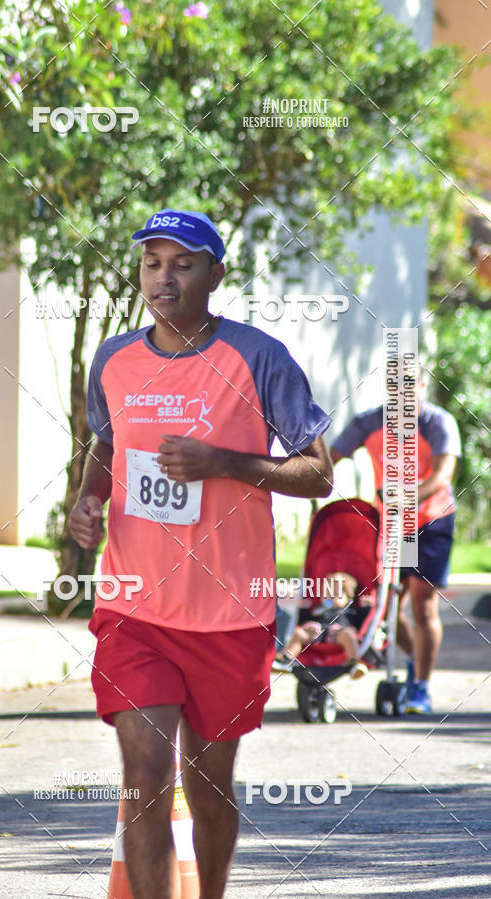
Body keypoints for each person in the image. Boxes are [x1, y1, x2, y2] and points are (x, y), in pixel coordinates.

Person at [69, 209, 333, 898]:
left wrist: (224, 462)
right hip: (135, 608)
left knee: (208, 791)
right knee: (146, 777)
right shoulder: (114, 359)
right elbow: (107, 442)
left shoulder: (259, 357)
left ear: (216, 273)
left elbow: (319, 472)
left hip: (228, 614)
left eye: (183, 263)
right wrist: (88, 500)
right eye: (153, 262)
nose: (165, 276)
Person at [330, 375, 461, 714]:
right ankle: (417, 659)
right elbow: (330, 457)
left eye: (410, 383)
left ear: (421, 385)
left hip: (431, 521)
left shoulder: (436, 423)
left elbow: (443, 474)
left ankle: (420, 686)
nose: (403, 391)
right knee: (390, 604)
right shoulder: (370, 422)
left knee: (423, 605)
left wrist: (408, 497)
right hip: (391, 525)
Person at [272, 571, 368, 679]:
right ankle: (286, 659)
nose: (330, 597)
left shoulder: (350, 611)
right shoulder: (318, 610)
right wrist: (304, 611)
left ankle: (354, 662)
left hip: (337, 634)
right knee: (299, 633)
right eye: (326, 593)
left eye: (336, 594)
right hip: (317, 634)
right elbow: (305, 620)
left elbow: (362, 622)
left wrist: (366, 608)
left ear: (348, 597)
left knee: (348, 635)